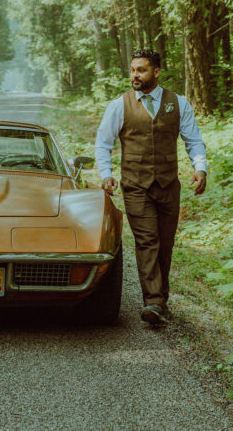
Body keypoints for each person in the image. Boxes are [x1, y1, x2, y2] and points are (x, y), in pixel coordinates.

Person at [94, 49, 207, 326]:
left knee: (165, 244)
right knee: (147, 241)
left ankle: (160, 302)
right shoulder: (119, 106)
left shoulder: (178, 104)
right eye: (133, 70)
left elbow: (193, 139)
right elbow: (103, 142)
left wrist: (200, 167)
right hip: (135, 185)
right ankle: (153, 302)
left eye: (141, 70)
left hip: (169, 185)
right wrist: (106, 174)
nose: (135, 75)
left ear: (156, 72)